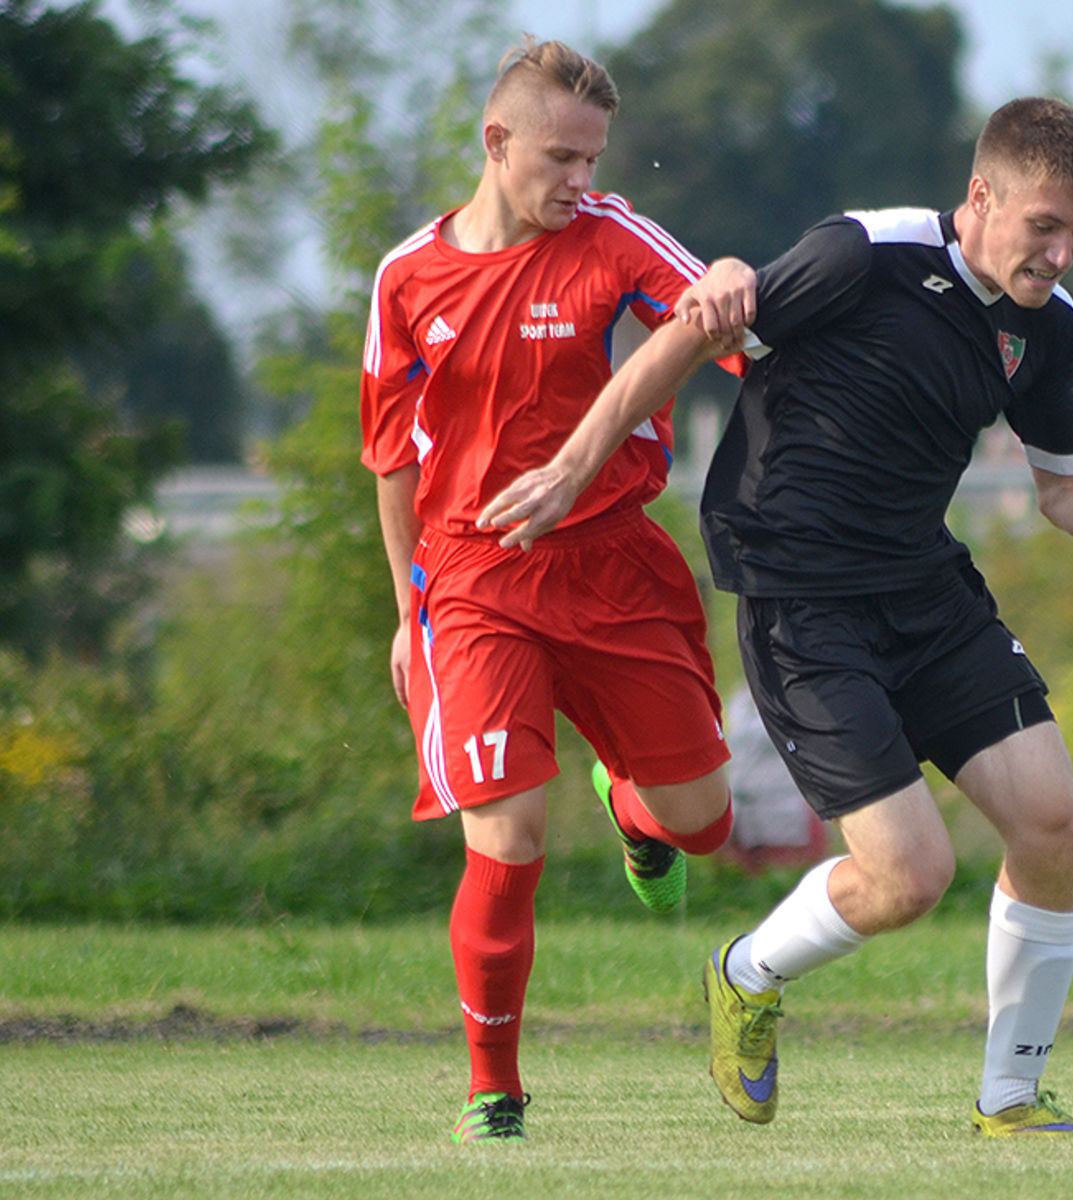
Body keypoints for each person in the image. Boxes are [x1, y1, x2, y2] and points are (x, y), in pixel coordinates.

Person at [477, 96, 1073, 1137]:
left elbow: (1067, 489)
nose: (1062, 253)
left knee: (1058, 827)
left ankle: (1010, 1102)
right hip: (803, 604)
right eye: (1044, 226)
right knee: (910, 875)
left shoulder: (1046, 330)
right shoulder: (865, 255)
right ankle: (746, 975)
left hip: (924, 593)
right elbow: (689, 337)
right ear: (982, 197)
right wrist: (575, 463)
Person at [359, 37, 748, 1143]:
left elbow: (713, 309)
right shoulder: (407, 277)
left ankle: (633, 813)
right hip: (475, 582)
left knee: (704, 824)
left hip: (616, 564)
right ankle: (495, 1089)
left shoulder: (610, 235)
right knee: (508, 835)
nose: (580, 180)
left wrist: (723, 279)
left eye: (593, 158)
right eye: (562, 157)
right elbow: (391, 456)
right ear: (497, 143)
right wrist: (407, 612)